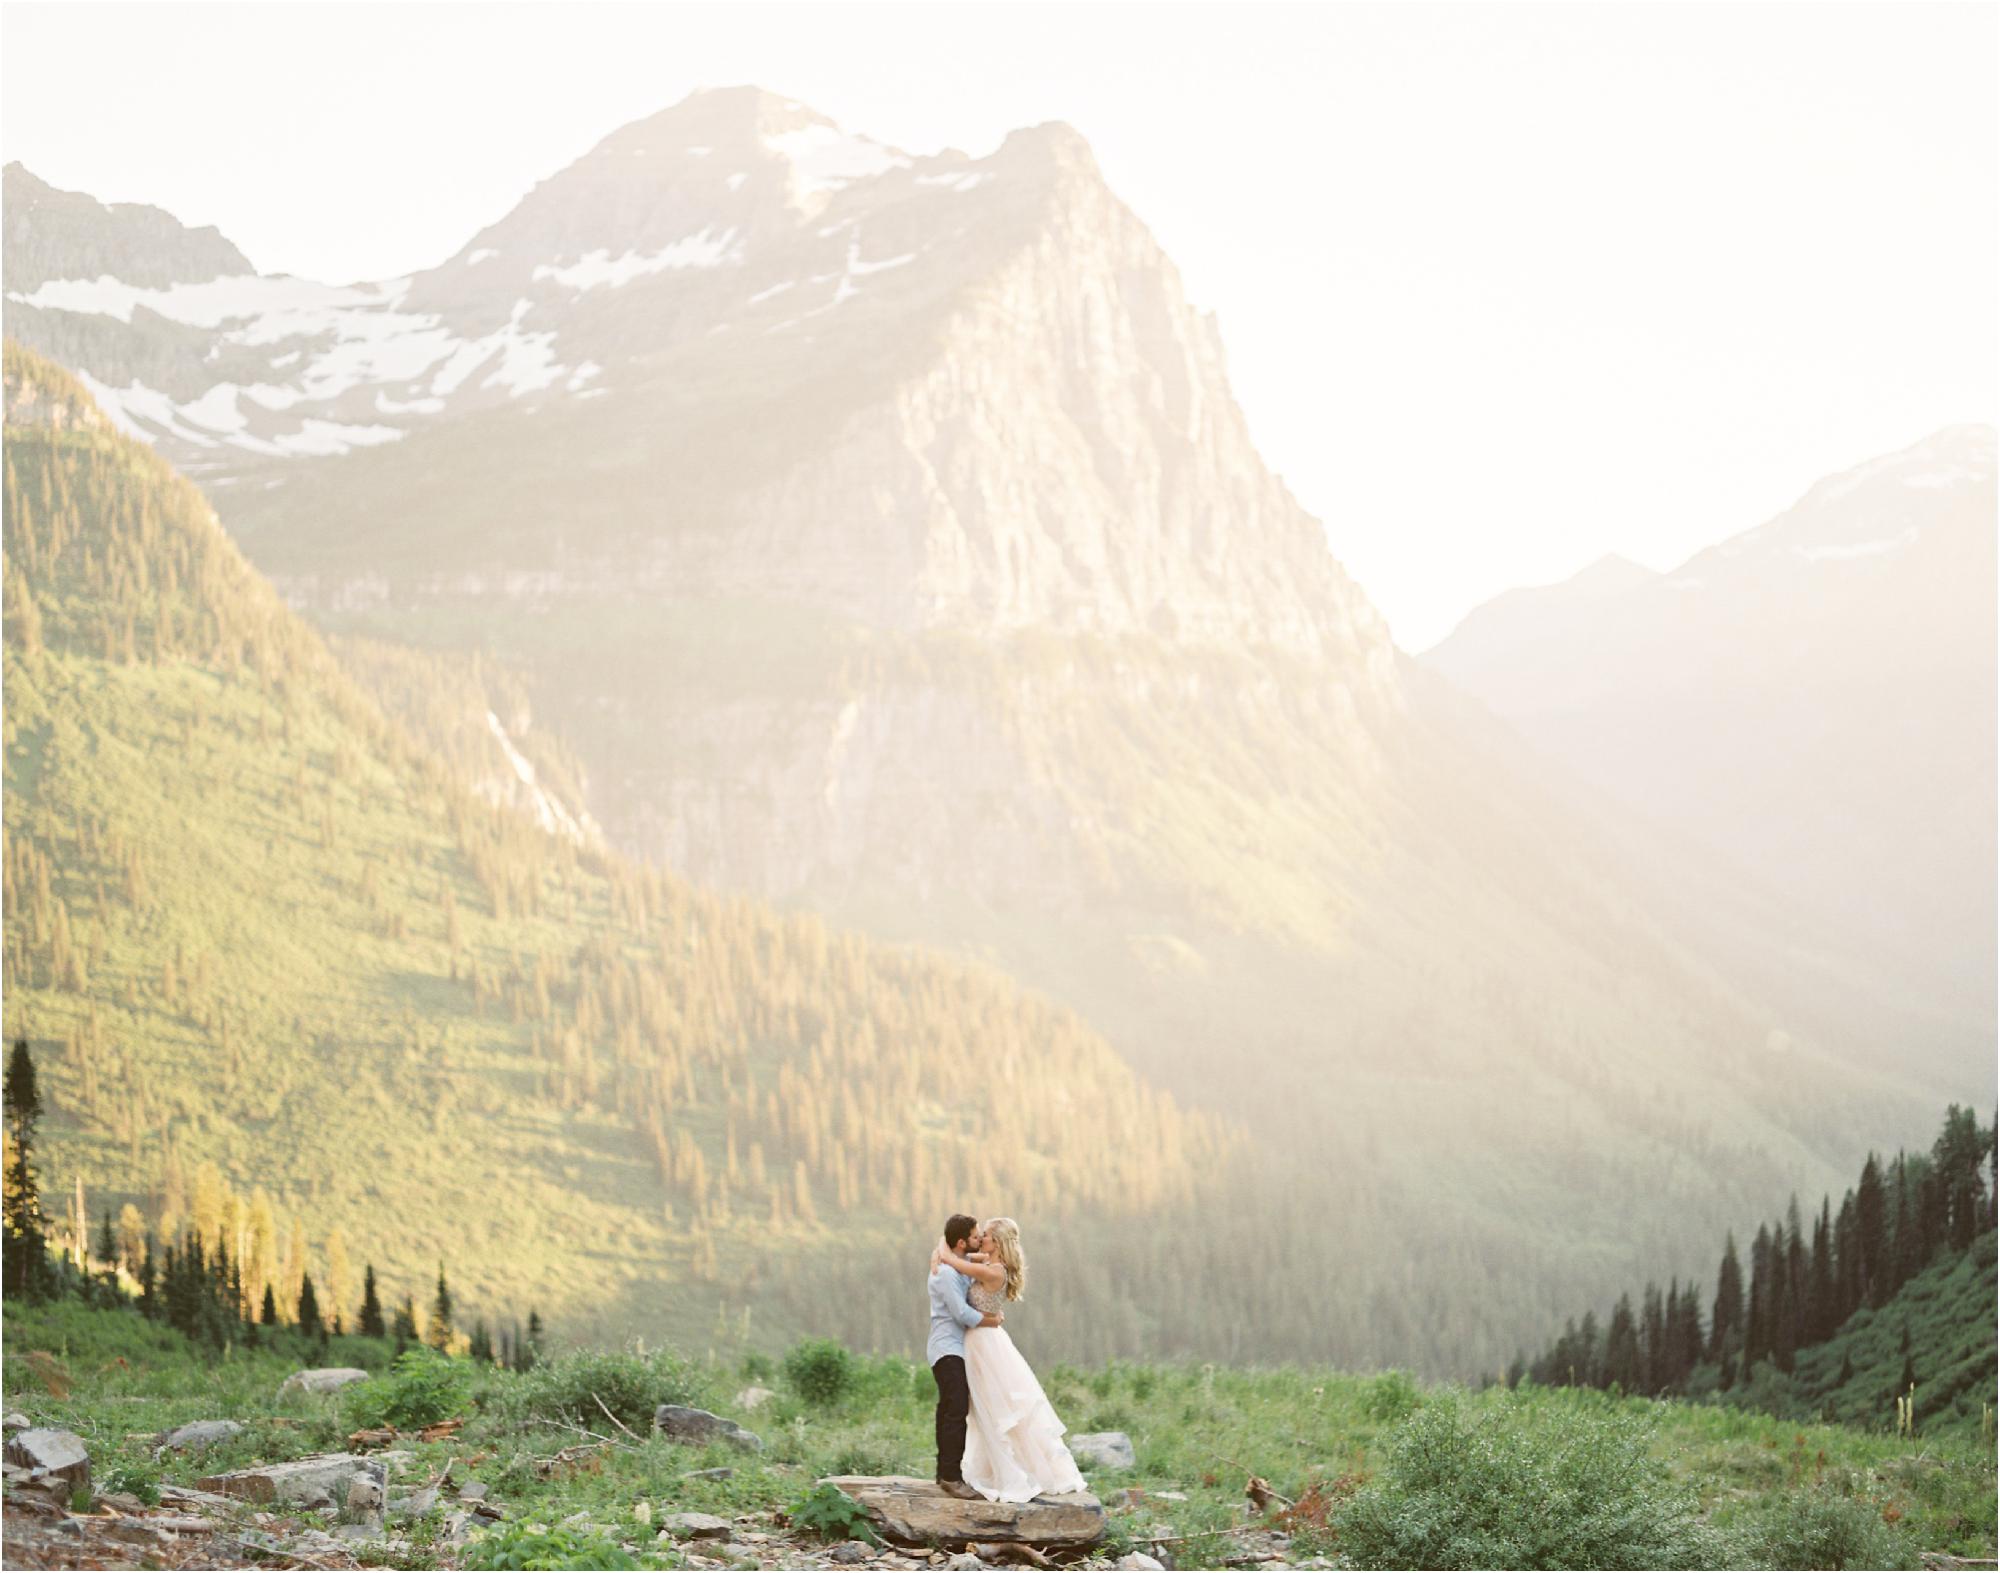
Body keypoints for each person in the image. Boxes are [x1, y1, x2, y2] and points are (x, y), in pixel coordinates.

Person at [930, 1217, 1087, 1503]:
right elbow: (953, 1252)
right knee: (982, 1409)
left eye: (986, 1235)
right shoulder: (986, 1262)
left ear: (997, 1243)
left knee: (997, 1410)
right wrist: (941, 1249)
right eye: (979, 1235)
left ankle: (1009, 1470)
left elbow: (954, 1260)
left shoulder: (993, 1271)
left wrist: (943, 1255)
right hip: (977, 1343)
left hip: (985, 1343)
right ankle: (960, 1471)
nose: (981, 1239)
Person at [928, 1212, 1002, 1500]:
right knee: (956, 1409)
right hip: (947, 1348)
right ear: (961, 1242)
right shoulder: (947, 1274)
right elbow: (960, 1313)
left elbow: (945, 1247)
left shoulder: (957, 1264)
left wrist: (940, 1250)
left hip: (954, 1347)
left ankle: (943, 1473)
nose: (979, 1239)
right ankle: (951, 1477)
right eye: (975, 1236)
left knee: (949, 1408)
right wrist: (991, 1320)